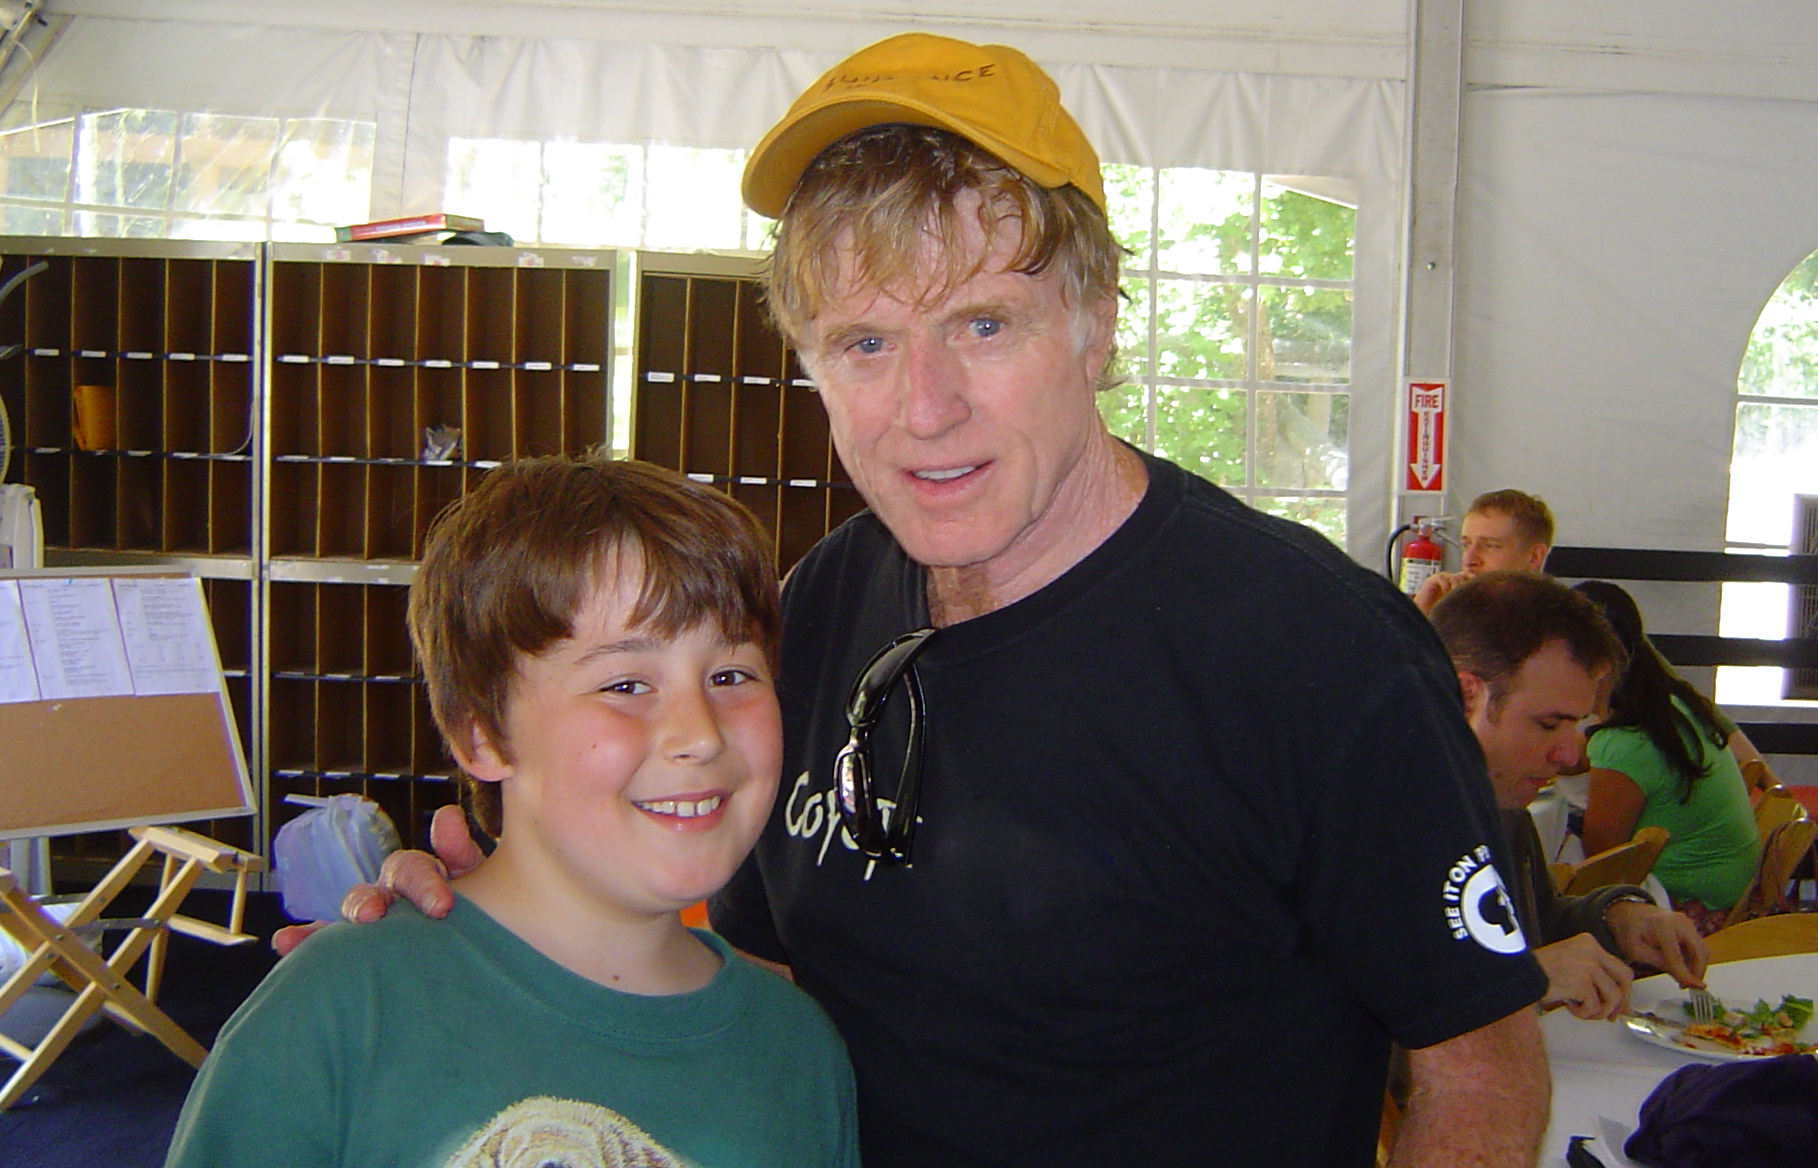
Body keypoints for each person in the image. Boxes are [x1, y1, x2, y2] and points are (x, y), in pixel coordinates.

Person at [314, 33, 1551, 1167]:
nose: (924, 405)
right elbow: (747, 964)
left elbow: (1482, 1070)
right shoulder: (824, 599)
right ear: (810, 368)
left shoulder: (1312, 652)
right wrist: (500, 943)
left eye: (983, 323)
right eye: (864, 342)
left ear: (1096, 326)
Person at [169, 455, 858, 1168]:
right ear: (482, 734)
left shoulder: (798, 1051)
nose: (701, 733)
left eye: (731, 675)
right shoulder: (340, 1009)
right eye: (624, 682)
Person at [1429, 572, 1709, 1021]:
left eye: (1578, 725)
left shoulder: (1504, 808)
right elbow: (1344, 1025)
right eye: (1547, 724)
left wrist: (1618, 919)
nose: (1571, 752)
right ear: (1467, 698)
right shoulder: (1367, 823)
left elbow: (1541, 921)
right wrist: (1519, 980)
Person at [1572, 580, 1762, 930]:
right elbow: (1581, 755)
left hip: (1694, 915)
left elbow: (1601, 866)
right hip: (1736, 895)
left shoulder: (1624, 742)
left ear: (1593, 663)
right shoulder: (1672, 705)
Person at [1413, 488, 1555, 614]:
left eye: (1490, 545)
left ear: (1534, 557)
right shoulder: (1458, 612)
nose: (1469, 560)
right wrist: (1422, 615)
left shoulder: (1559, 627)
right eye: (1466, 544)